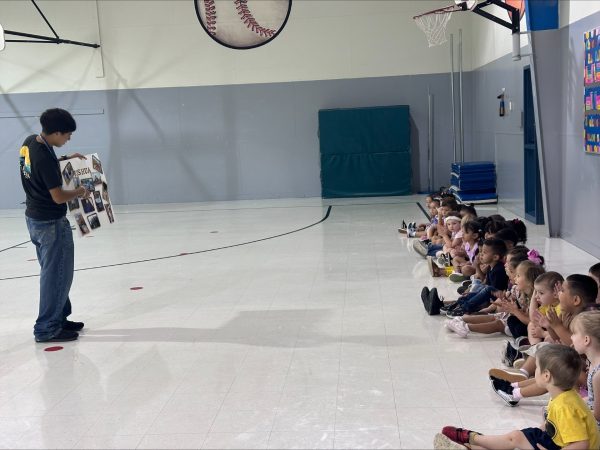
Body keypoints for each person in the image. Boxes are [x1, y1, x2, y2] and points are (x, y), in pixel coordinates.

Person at [434, 344, 600, 450]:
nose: (534, 372)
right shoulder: (563, 396)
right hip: (558, 442)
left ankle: (472, 439)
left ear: (546, 376)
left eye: (537, 368)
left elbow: (582, 444)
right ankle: (474, 441)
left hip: (561, 447)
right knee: (517, 436)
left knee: (516, 438)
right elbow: (553, 425)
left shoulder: (566, 405)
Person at [19, 108, 90, 343]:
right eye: (67, 134)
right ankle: (47, 328)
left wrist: (65, 159)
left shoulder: (31, 142)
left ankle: (59, 318)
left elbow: (40, 168)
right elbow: (58, 196)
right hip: (50, 222)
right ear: (57, 132)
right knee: (57, 274)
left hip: (35, 217)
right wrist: (80, 191)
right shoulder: (43, 157)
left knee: (55, 272)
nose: (69, 138)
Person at [571, 311, 600, 427]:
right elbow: (593, 399)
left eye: (574, 333)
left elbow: (598, 415)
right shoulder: (593, 364)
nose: (571, 337)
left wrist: (574, 413)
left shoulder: (598, 374)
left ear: (586, 340)